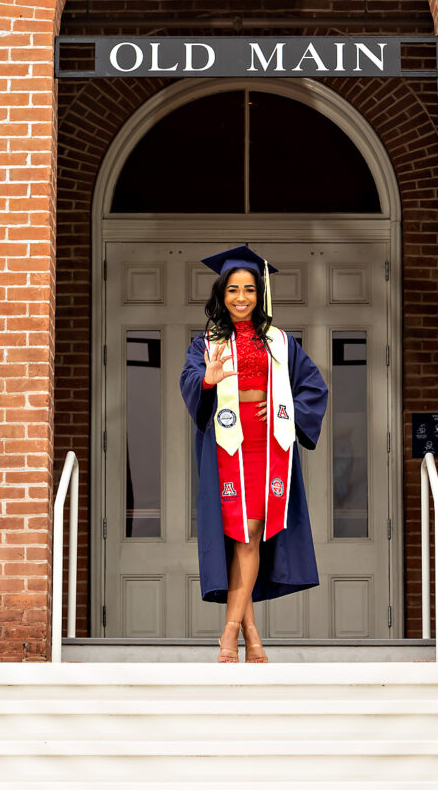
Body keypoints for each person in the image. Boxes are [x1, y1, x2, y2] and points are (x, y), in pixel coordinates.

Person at [180, 245, 328, 663]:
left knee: (251, 532)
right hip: (228, 445)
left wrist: (285, 407)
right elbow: (191, 381)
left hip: (267, 444)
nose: (241, 297)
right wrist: (208, 378)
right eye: (232, 290)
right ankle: (251, 634)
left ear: (260, 293)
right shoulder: (207, 342)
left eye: (249, 289)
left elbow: (314, 387)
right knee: (240, 537)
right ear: (221, 294)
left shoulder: (281, 342)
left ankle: (230, 634)